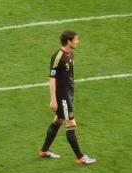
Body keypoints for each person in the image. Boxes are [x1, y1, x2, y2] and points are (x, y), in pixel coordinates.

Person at [39, 30, 95, 165]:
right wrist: (53, 100)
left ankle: (44, 150)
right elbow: (52, 79)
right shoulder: (58, 57)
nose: (77, 41)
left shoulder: (71, 55)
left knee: (58, 120)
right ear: (68, 41)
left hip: (68, 95)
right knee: (71, 124)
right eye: (75, 39)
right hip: (62, 96)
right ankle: (80, 157)